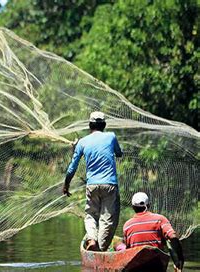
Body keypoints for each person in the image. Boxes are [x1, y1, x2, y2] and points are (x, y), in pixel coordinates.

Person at [62, 111, 123, 251]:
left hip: (92, 185)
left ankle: (91, 240)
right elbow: (119, 153)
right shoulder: (111, 137)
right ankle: (100, 250)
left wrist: (66, 185)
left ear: (90, 125)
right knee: (107, 219)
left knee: (90, 215)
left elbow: (72, 167)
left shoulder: (82, 142)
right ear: (104, 125)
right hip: (109, 184)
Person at [123, 192, 184, 271]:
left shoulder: (127, 225)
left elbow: (128, 250)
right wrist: (180, 258)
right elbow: (173, 237)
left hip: (136, 267)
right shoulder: (160, 219)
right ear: (148, 205)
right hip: (156, 265)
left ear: (133, 207)